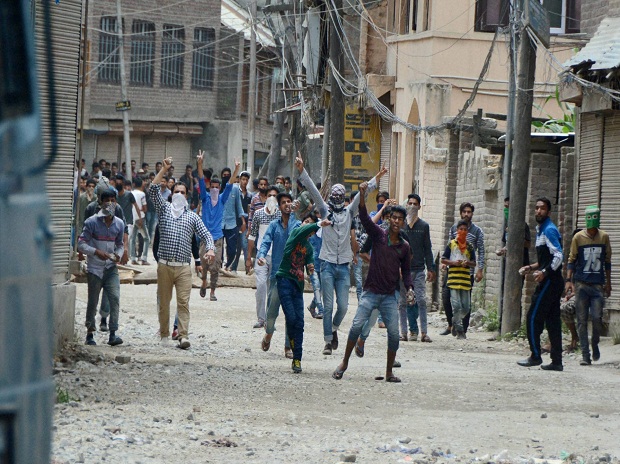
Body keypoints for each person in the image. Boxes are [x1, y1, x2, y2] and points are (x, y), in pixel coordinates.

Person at [296, 155, 388, 355]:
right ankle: (328, 341)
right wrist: (302, 171)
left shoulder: (349, 212)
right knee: (327, 306)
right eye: (334, 196)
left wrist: (378, 177)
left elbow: (363, 193)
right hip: (327, 264)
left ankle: (335, 328)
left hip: (344, 265)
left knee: (344, 307)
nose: (337, 199)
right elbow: (313, 190)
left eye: (340, 196)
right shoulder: (324, 210)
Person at [332, 181, 414, 383]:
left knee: (394, 335)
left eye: (400, 219)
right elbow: (364, 219)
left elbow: (407, 272)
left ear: (403, 222)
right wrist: (362, 195)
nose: (396, 221)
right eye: (393, 217)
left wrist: (410, 288)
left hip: (389, 296)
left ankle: (388, 372)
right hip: (370, 292)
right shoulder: (378, 235)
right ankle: (344, 363)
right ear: (389, 219)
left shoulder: (404, 247)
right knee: (356, 326)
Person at [149, 156, 215, 350]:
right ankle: (163, 333)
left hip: (184, 267)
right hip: (165, 265)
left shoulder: (192, 217)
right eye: (176, 191)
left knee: (183, 302)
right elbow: (152, 190)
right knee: (164, 302)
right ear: (171, 194)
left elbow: (206, 235)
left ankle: (183, 335)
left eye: (182, 192)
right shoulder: (163, 209)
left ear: (187, 195)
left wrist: (210, 249)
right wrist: (164, 169)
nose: (179, 194)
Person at [517, 197, 564, 371]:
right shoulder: (541, 230)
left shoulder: (549, 230)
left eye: (542, 208)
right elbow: (547, 259)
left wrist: (545, 273)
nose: (538, 211)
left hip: (550, 282)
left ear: (549, 212)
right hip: (552, 280)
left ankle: (535, 355)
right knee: (552, 321)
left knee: (533, 317)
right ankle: (557, 361)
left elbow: (559, 256)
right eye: (536, 208)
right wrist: (531, 267)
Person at [565, 205, 612, 365]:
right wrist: (569, 281)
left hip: (598, 285)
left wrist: (608, 283)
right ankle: (585, 355)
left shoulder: (604, 237)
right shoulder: (578, 238)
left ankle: (595, 343)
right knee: (581, 320)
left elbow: (607, 262)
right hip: (581, 284)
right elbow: (571, 259)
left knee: (598, 318)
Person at [78, 189, 125, 347]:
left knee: (115, 298)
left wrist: (118, 254)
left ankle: (113, 333)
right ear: (101, 202)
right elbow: (81, 244)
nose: (110, 203)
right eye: (107, 200)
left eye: (113, 200)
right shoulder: (91, 222)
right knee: (93, 301)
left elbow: (120, 245)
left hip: (111, 268)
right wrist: (96, 252)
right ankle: (90, 333)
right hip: (95, 269)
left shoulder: (119, 223)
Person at [257, 192, 300, 359]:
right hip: (277, 276)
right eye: (284, 202)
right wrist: (261, 255)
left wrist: (294, 214)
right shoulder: (274, 226)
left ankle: (288, 347)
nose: (287, 204)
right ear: (279, 207)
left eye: (289, 202)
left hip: (293, 276)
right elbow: (266, 241)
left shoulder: (296, 225)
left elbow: (294, 236)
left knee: (291, 314)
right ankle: (268, 333)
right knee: (272, 312)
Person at [276, 214, 321, 373]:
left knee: (299, 323)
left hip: (297, 286)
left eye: (310, 225)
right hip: (284, 280)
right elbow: (305, 230)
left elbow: (309, 262)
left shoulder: (309, 248)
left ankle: (297, 358)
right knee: (291, 318)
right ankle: (294, 351)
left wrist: (310, 268)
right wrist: (319, 223)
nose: (307, 226)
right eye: (306, 222)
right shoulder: (294, 234)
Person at [196, 151, 241, 301]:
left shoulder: (222, 199)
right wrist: (200, 164)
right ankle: (203, 281)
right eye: (212, 187)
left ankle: (212, 291)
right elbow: (201, 179)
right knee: (204, 264)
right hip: (204, 236)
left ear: (219, 188)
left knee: (215, 266)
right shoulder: (205, 198)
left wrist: (236, 170)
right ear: (209, 188)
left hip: (218, 238)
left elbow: (230, 184)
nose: (215, 189)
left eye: (217, 187)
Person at [440, 202, 485, 336]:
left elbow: (481, 251)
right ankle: (452, 324)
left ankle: (462, 330)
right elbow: (449, 247)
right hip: (453, 270)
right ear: (460, 213)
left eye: (469, 212)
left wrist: (479, 269)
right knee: (446, 296)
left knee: (465, 302)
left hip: (467, 273)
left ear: (472, 214)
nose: (466, 214)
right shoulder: (454, 228)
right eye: (464, 211)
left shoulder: (477, 231)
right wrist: (446, 263)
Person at [401, 193, 436, 342]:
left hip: (419, 270)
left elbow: (427, 248)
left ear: (419, 206)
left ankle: (423, 333)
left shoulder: (423, 226)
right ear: (406, 205)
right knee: (403, 302)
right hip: (403, 271)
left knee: (421, 300)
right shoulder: (401, 226)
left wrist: (431, 268)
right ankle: (404, 332)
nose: (412, 206)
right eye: (410, 203)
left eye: (415, 204)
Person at [247, 187, 280, 328]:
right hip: (262, 255)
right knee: (261, 285)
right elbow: (252, 235)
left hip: (277, 256)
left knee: (273, 289)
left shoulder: (281, 215)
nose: (272, 198)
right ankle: (261, 318)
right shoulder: (259, 214)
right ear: (265, 198)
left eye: (275, 196)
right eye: (270, 195)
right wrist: (249, 256)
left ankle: (270, 318)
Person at [441, 220, 476, 339]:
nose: (463, 231)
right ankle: (459, 329)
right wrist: (453, 263)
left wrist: (468, 263)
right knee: (456, 305)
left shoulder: (470, 246)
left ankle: (455, 320)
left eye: (465, 230)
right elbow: (443, 259)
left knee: (466, 307)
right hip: (453, 279)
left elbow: (474, 263)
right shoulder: (451, 244)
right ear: (457, 230)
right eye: (460, 229)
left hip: (465, 280)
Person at [221, 168, 245, 274]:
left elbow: (238, 205)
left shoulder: (235, 189)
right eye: (224, 175)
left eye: (228, 175)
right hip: (219, 223)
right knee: (218, 247)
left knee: (232, 248)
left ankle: (228, 265)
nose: (226, 176)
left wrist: (243, 221)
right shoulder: (218, 188)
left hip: (231, 223)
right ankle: (220, 266)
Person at [231, 170, 252, 273]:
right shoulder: (235, 192)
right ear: (239, 180)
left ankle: (247, 269)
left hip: (245, 224)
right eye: (243, 179)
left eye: (246, 180)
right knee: (236, 247)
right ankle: (233, 267)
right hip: (235, 223)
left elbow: (249, 210)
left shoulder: (249, 195)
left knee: (245, 245)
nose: (244, 181)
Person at [129, 177, 150, 265]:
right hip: (140, 217)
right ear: (141, 184)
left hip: (132, 217)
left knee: (133, 238)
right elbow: (145, 208)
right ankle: (144, 258)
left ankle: (133, 258)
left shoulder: (130, 193)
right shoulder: (142, 194)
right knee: (146, 238)